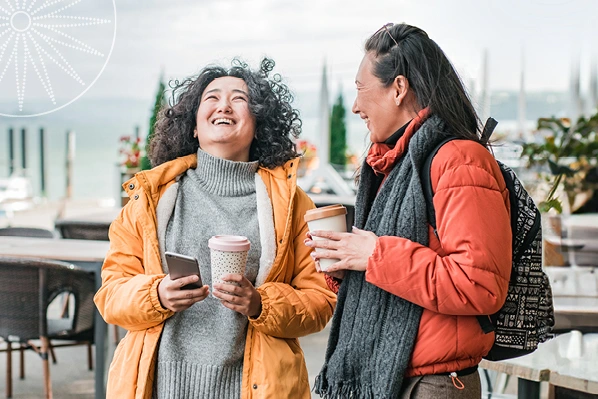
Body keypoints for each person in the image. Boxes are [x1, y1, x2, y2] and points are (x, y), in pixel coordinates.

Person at [94, 58, 336, 399]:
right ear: (193, 125)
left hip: (254, 389)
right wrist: (157, 295)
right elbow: (110, 295)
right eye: (212, 98)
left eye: (239, 98)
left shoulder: (293, 205)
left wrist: (259, 303)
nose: (224, 104)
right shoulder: (150, 200)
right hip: (158, 387)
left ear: (259, 124)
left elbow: (319, 302)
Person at [306, 23, 512, 399]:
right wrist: (344, 263)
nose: (354, 106)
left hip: (431, 385)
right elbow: (391, 273)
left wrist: (373, 255)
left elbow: (479, 285)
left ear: (398, 88)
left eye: (360, 89)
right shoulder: (391, 165)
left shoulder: (460, 160)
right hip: (393, 379)